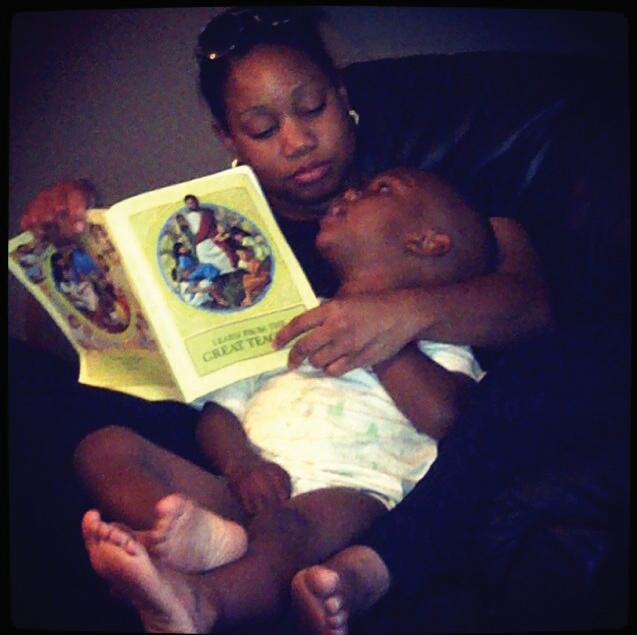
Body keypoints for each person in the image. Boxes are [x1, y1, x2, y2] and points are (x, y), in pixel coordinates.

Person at [14, 6, 568, 632]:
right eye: (261, 128)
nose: (297, 142)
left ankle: (221, 582)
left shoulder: (427, 204)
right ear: (229, 140)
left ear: (343, 96)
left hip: (357, 475)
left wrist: (388, 320)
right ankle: (198, 549)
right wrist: (72, 256)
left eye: (313, 109)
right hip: (237, 443)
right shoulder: (213, 232)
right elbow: (85, 364)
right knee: (72, 422)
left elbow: (532, 312)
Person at [79, 166, 495, 632]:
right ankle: (205, 544)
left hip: (345, 497)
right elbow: (219, 414)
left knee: (285, 529)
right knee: (104, 447)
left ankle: (201, 599)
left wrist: (373, 337)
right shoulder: (292, 314)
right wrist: (241, 466)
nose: (351, 192)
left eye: (381, 189)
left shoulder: (442, 342)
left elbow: (449, 417)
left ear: (426, 242)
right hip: (248, 485)